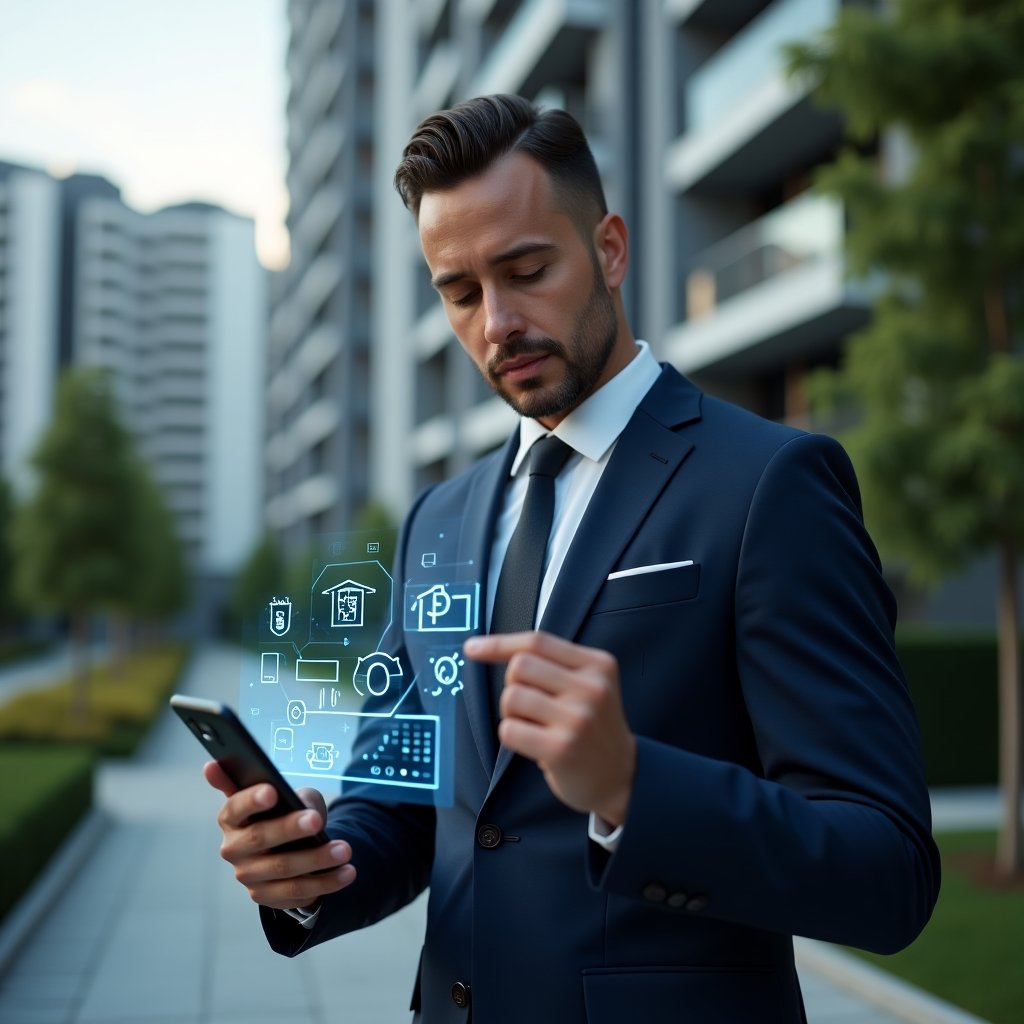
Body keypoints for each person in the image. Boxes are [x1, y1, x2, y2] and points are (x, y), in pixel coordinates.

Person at [204, 94, 940, 1022]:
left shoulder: (771, 485)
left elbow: (889, 869)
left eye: (526, 269)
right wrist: (312, 867)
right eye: (461, 292)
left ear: (610, 249)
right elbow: (399, 801)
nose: (496, 323)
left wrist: (635, 788)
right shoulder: (437, 519)